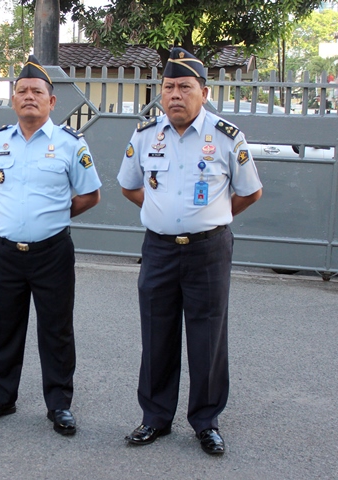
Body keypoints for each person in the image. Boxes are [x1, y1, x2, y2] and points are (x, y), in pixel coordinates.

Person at [117, 47, 263, 454]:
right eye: (168, 87)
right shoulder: (146, 135)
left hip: (208, 251)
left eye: (185, 86)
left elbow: (250, 192)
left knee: (208, 336)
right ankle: (155, 417)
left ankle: (206, 421)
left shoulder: (226, 137)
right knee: (156, 332)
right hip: (159, 250)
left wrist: (213, 216)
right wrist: (159, 212)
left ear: (203, 91)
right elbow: (129, 186)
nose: (175, 94)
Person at [0, 55, 102, 435]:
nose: (29, 96)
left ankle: (59, 404)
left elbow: (90, 195)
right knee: (4, 326)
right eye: (22, 91)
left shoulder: (70, 144)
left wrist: (52, 215)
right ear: (13, 99)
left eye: (37, 91)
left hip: (52, 253)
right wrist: (13, 216)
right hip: (6, 252)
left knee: (56, 330)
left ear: (51, 101)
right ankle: (1, 397)